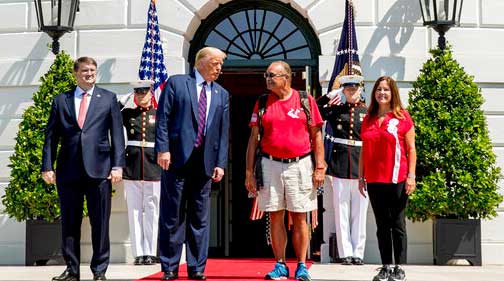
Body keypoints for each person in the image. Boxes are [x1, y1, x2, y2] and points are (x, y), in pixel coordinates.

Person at [41, 57, 125, 281]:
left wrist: (117, 165)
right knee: (69, 223)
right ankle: (72, 270)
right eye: (85, 70)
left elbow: (117, 135)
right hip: (68, 171)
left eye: (93, 70)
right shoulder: (61, 100)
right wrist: (47, 166)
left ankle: (99, 270)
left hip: (99, 170)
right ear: (75, 73)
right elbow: (51, 137)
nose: (90, 74)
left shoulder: (108, 98)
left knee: (100, 223)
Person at [245, 61, 325, 281]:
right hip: (270, 164)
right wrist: (249, 172)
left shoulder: (304, 100)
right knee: (275, 215)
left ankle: (301, 265)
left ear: (286, 77)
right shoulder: (262, 102)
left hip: (300, 164)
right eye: (267, 75)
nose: (268, 79)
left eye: (272, 75)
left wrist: (320, 166)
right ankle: (280, 264)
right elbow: (253, 140)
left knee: (300, 216)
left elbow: (317, 135)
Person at [155, 47, 229, 281]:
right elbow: (163, 119)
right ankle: (169, 266)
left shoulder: (221, 93)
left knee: (200, 218)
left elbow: (222, 132)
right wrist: (163, 149)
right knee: (173, 215)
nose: (219, 68)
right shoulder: (177, 83)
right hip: (176, 160)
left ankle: (197, 267)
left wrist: (221, 163)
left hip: (204, 163)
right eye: (216, 63)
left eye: (221, 64)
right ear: (201, 62)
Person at [358, 76, 416, 281]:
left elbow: (411, 149)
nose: (382, 93)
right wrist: (360, 175)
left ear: (393, 93)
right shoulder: (368, 118)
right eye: (378, 89)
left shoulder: (403, 117)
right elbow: (365, 148)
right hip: (374, 179)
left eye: (386, 90)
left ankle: (399, 267)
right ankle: (385, 266)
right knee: (382, 226)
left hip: (398, 179)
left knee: (398, 224)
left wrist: (411, 176)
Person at [317, 75, 369, 265]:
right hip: (339, 163)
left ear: (360, 89)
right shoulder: (334, 110)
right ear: (343, 90)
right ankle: (345, 252)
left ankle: (358, 253)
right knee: (341, 209)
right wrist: (328, 96)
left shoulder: (367, 111)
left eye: (354, 89)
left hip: (361, 164)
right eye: (347, 89)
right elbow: (313, 111)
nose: (351, 92)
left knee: (360, 211)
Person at [119, 80, 162, 266]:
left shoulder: (159, 114)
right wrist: (120, 102)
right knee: (134, 209)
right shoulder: (128, 114)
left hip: (153, 165)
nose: (140, 96)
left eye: (143, 93)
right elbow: (107, 116)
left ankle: (151, 251)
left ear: (151, 94)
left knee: (152, 209)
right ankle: (139, 253)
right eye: (137, 93)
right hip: (133, 165)